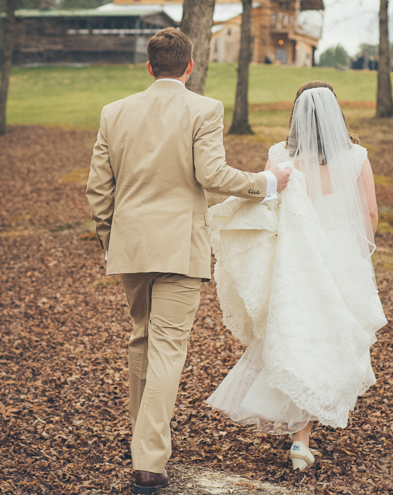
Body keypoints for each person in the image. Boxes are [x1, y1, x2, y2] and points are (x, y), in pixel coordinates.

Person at [86, 28, 291, 495]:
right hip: (179, 248)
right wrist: (268, 181)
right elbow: (212, 174)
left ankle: (143, 442)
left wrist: (110, 240)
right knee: (165, 349)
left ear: (149, 66)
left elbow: (99, 189)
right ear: (190, 66)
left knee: (142, 341)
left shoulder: (114, 113)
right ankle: (149, 462)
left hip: (131, 248)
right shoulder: (204, 108)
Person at [206, 81, 387, 471]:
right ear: (335, 116)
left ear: (296, 116)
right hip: (340, 258)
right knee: (328, 341)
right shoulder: (356, 158)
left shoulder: (280, 156)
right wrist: (359, 256)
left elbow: (264, 203)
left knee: (298, 336)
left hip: (296, 259)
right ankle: (302, 439)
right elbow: (369, 215)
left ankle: (300, 440)